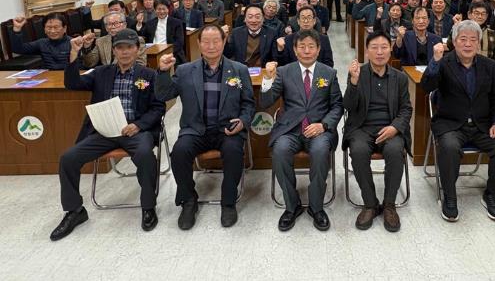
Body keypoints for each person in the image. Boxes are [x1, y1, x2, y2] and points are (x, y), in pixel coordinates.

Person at [50, 29, 165, 241]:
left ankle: (148, 206)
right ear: (113, 50)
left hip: (136, 131)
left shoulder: (149, 75)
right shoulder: (101, 72)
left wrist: (138, 125)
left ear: (137, 50)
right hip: (104, 132)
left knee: (145, 156)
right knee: (68, 158)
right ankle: (74, 211)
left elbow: (158, 108)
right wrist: (74, 54)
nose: (124, 52)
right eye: (120, 48)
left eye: (129, 47)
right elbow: (73, 84)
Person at [155, 25, 254, 229]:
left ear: (224, 42)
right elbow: (164, 95)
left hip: (227, 129)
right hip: (195, 129)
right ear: (198, 44)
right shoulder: (185, 70)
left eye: (216, 41)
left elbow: (248, 104)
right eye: (206, 42)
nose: (211, 46)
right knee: (179, 152)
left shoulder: (239, 69)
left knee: (234, 152)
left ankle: (228, 202)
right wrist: (163, 72)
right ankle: (188, 200)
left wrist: (243, 121)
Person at [421, 20, 495, 222]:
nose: (468, 44)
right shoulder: (444, 63)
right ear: (454, 41)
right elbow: (427, 86)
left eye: (473, 39)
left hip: (483, 125)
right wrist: (435, 61)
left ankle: (492, 195)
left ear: (479, 43)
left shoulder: (489, 66)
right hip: (451, 124)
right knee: (449, 147)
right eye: (463, 39)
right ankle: (449, 196)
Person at [260, 30, 343, 231]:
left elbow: (337, 106)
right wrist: (268, 79)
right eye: (302, 47)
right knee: (280, 151)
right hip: (290, 130)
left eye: (311, 46)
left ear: (318, 49)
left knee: (321, 151)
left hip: (319, 130)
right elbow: (266, 102)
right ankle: (292, 205)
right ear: (295, 50)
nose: (307, 51)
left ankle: (316, 207)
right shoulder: (284, 71)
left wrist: (323, 125)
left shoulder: (328, 73)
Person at [343, 31, 412, 232]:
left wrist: (395, 127)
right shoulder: (358, 73)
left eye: (384, 47)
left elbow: (406, 108)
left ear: (390, 50)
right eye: (374, 48)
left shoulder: (400, 78)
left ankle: (389, 204)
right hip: (362, 128)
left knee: (395, 151)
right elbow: (348, 106)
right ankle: (370, 204)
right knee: (358, 151)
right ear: (367, 51)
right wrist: (353, 82)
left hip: (390, 127)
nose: (379, 52)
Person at [9, 12, 86, 70]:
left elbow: (80, 67)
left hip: (69, 78)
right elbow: (18, 49)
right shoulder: (42, 43)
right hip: (49, 78)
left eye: (56, 27)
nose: (52, 31)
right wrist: (17, 29)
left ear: (64, 28)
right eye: (49, 27)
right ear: (44, 30)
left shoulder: (73, 43)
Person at [82, 11, 147, 67]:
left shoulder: (136, 40)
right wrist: (87, 48)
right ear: (106, 27)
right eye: (109, 24)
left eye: (116, 23)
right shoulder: (100, 41)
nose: (112, 27)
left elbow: (141, 64)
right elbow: (90, 63)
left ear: (124, 25)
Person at [136, 0, 186, 64]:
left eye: (164, 9)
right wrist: (139, 23)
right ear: (155, 10)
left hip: (171, 53)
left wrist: (167, 52)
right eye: (159, 9)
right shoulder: (150, 23)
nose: (161, 11)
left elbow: (179, 42)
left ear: (168, 9)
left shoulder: (176, 23)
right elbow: (142, 35)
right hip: (153, 53)